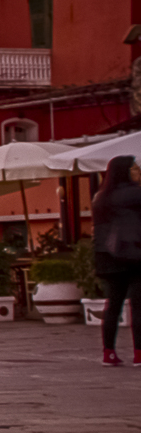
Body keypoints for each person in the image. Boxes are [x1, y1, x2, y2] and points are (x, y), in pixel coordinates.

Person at [91, 154, 141, 366]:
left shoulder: (100, 197)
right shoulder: (135, 193)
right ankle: (139, 353)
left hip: (108, 257)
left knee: (113, 305)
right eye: (135, 168)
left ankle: (109, 352)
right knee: (138, 306)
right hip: (134, 254)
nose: (138, 171)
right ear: (125, 172)